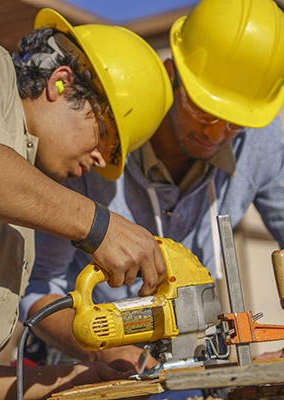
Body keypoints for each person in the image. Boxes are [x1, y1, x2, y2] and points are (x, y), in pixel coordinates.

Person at [0, 7, 174, 400]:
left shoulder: (17, 209)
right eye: (105, 135)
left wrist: (69, 380)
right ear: (60, 82)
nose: (102, 160)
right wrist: (99, 224)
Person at [19, 0, 284, 393]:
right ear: (174, 72)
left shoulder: (263, 137)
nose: (216, 134)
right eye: (204, 111)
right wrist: (104, 350)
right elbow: (40, 288)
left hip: (199, 360)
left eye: (234, 123)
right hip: (91, 362)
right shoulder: (89, 146)